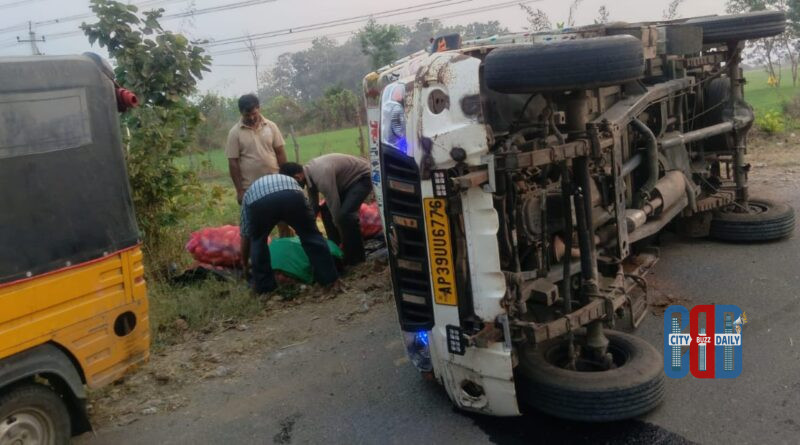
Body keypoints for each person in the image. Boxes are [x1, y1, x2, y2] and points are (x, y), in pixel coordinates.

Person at [239, 173, 339, 294]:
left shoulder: (247, 196)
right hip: (291, 195)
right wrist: (311, 228)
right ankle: (329, 280)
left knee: (258, 242)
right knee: (310, 235)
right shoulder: (288, 179)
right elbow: (306, 206)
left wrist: (244, 263)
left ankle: (266, 290)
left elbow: (246, 234)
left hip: (260, 203)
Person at [280, 154, 372, 266]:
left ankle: (356, 258)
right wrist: (307, 228)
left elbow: (334, 205)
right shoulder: (309, 174)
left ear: (297, 177)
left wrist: (342, 233)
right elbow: (314, 206)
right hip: (346, 183)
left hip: (362, 178)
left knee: (345, 216)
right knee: (325, 211)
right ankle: (336, 250)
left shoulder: (320, 176)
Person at [226, 94, 288, 204]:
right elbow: (233, 163)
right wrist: (240, 191)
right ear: (241, 112)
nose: (251, 117)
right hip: (251, 188)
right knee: (258, 220)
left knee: (282, 218)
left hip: (275, 182)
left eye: (254, 113)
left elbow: (280, 153)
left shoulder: (271, 126)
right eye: (247, 115)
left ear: (259, 108)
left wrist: (286, 178)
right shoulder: (234, 133)